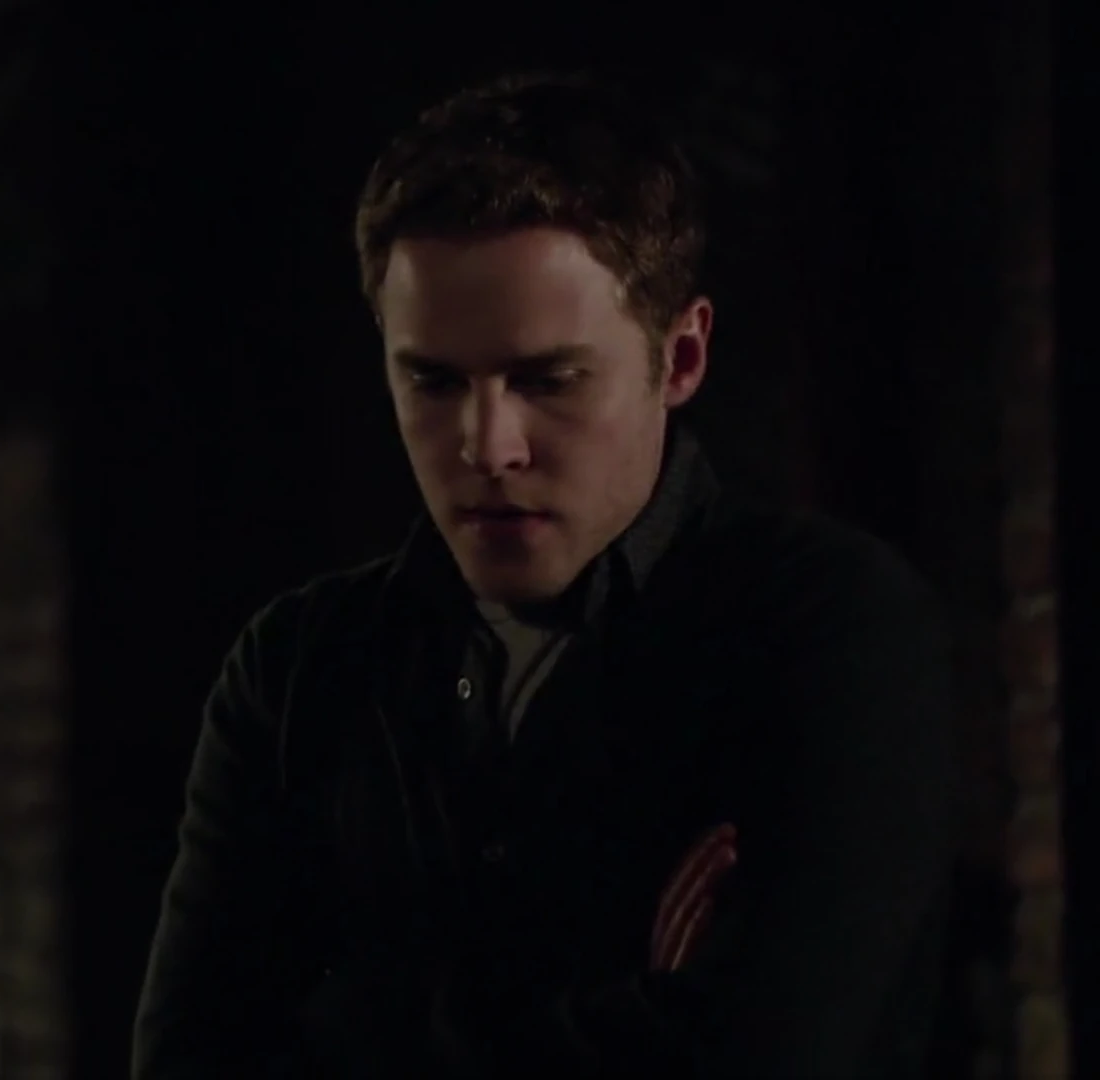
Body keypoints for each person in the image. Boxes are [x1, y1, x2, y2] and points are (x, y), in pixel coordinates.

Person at [132, 71, 957, 1079]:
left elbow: (761, 1056)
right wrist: (629, 1011)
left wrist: (355, 1023)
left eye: (549, 379)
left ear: (680, 357)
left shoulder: (829, 630)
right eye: (433, 381)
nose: (489, 446)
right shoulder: (298, 671)